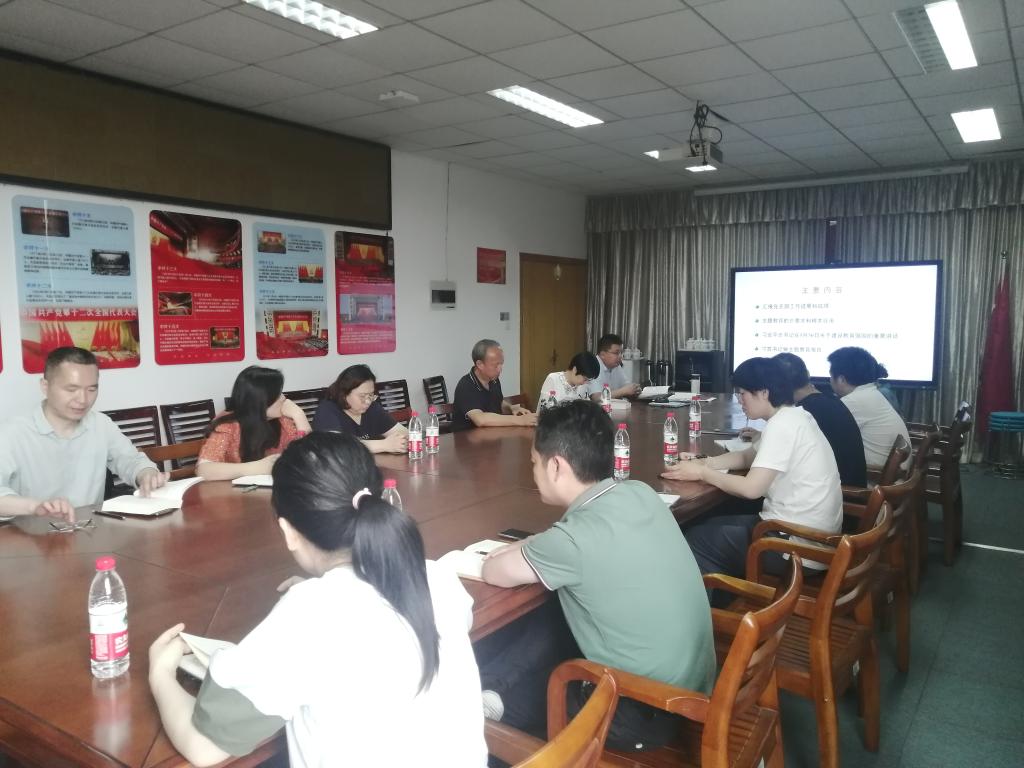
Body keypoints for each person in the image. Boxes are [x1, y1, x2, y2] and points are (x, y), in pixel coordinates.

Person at [148, 432, 487, 767]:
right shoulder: (434, 575)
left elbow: (203, 748)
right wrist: (326, 590)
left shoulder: (308, 614)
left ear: (288, 531)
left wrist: (160, 673)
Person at [478, 400, 715, 752]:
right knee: (559, 607)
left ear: (556, 466)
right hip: (694, 686)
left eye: (534, 462)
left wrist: (519, 548)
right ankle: (495, 690)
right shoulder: (639, 492)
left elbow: (493, 571)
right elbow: (563, 544)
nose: (533, 471)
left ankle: (493, 716)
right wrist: (537, 544)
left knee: (529, 697)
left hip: (644, 710)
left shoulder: (572, 542)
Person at [663, 357, 842, 581]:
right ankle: (725, 593)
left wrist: (702, 473)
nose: (740, 400)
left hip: (796, 549)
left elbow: (751, 489)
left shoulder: (783, 425)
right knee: (707, 523)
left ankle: (719, 600)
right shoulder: (795, 416)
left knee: (695, 540)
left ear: (764, 392)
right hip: (806, 536)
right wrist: (706, 462)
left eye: (742, 393)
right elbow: (747, 457)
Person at [0, 346, 166, 523]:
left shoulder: (100, 424)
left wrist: (146, 474)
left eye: (92, 390)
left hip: (88, 529)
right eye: (71, 389)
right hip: (31, 535)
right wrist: (36, 507)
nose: (83, 400)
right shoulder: (12, 433)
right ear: (45, 386)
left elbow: (130, 459)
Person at [197, 366, 310, 481]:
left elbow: (311, 459)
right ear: (259, 400)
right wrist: (256, 467)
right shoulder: (228, 425)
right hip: (233, 490)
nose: (283, 398)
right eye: (277, 395)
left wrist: (300, 417)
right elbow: (204, 470)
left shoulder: (282, 419)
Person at [771, 352, 867, 487]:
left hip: (840, 491)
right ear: (807, 374)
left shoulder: (806, 412)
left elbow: (778, 456)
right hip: (842, 484)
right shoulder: (827, 400)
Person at [827, 347, 911, 469]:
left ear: (841, 379)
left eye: (830, 376)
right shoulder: (870, 393)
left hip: (876, 476)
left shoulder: (853, 401)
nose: (829, 380)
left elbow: (824, 436)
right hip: (894, 474)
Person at [312, 365, 408, 454]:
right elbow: (337, 447)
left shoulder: (372, 408)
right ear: (344, 394)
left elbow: (404, 433)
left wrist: (402, 440)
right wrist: (384, 445)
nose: (367, 401)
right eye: (362, 396)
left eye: (371, 395)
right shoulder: (327, 410)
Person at [451, 339, 537, 430]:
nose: (500, 369)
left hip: (492, 434)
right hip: (466, 437)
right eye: (495, 365)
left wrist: (512, 408)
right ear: (480, 364)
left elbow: (498, 402)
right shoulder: (466, 385)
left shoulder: (493, 380)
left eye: (501, 364)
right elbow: (481, 419)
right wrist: (521, 420)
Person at [587, 333, 640, 400]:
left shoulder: (616, 365)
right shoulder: (592, 366)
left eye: (621, 353)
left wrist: (634, 390)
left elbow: (626, 386)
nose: (620, 356)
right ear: (602, 354)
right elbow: (596, 397)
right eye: (616, 353)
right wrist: (623, 391)